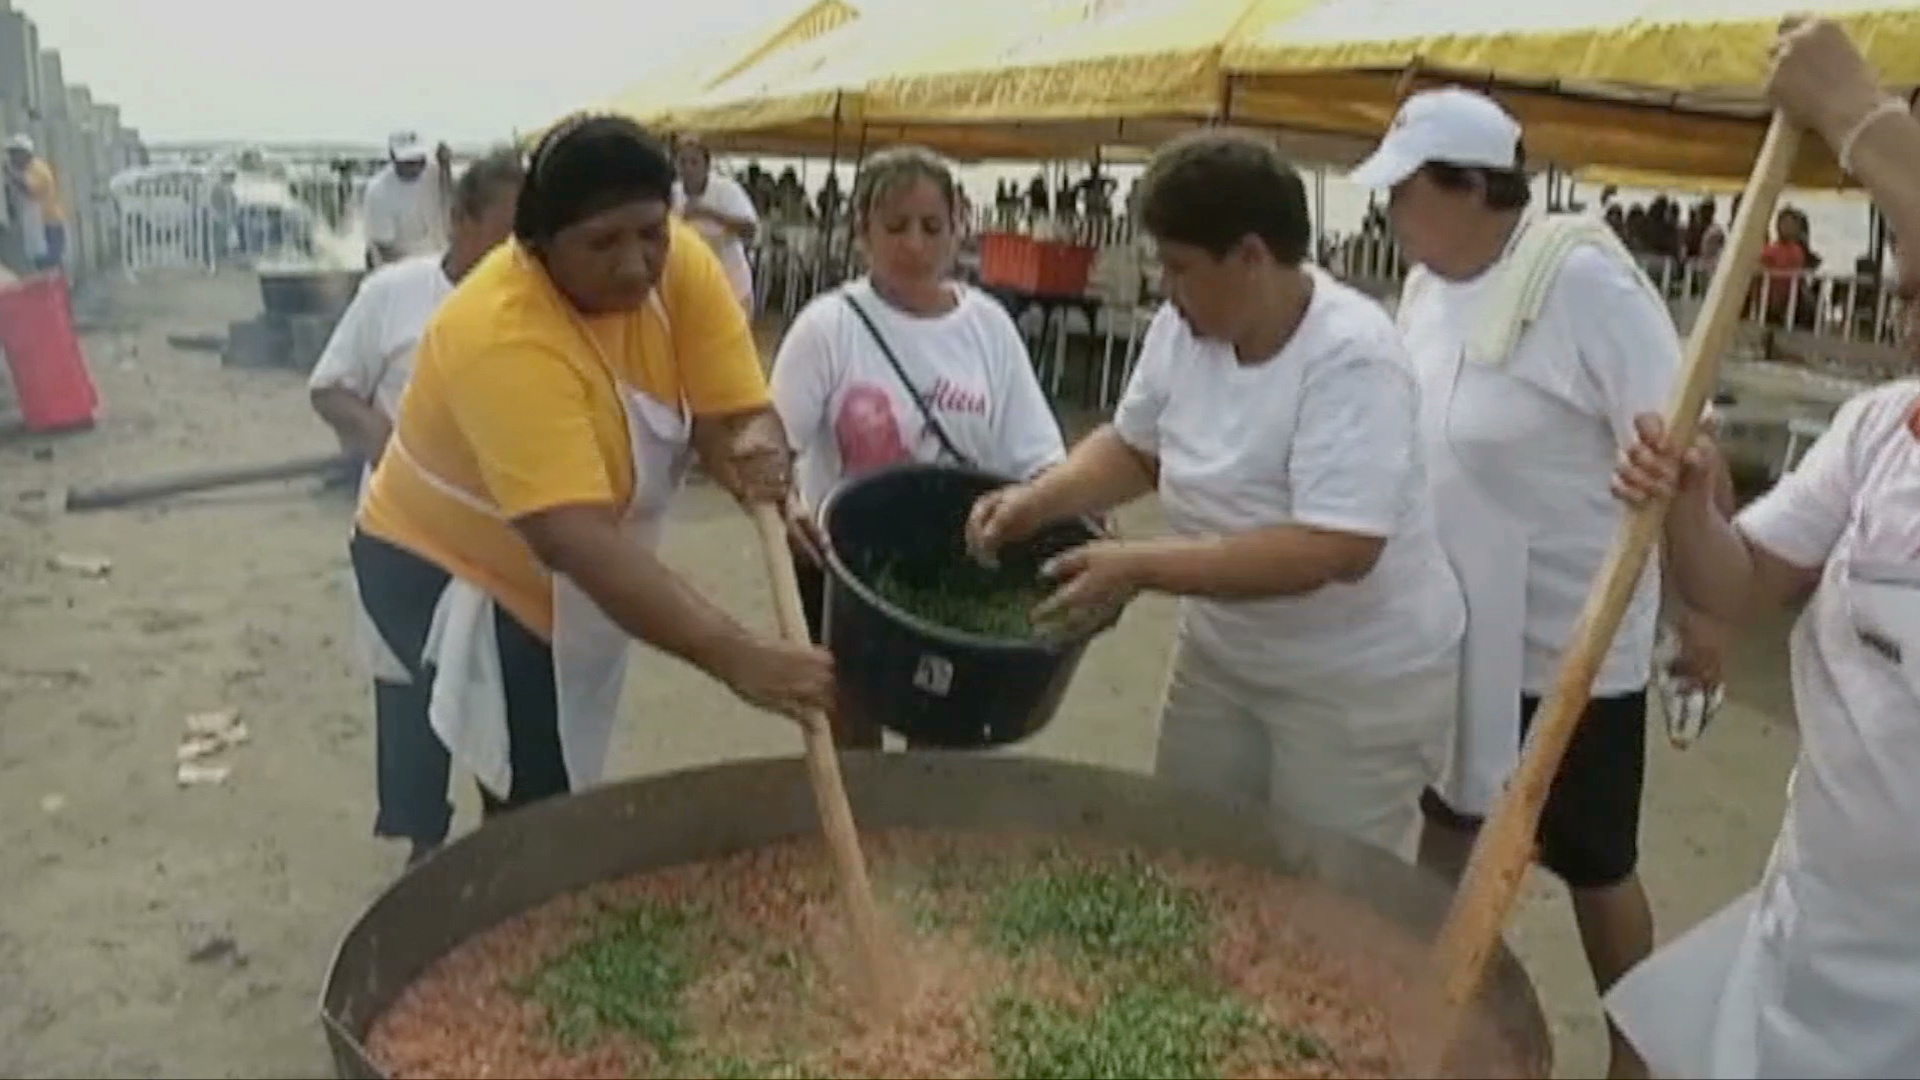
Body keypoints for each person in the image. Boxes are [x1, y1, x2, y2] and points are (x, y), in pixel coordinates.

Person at [1347, 85, 1730, 1079]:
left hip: (1568, 635)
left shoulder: (1583, 283)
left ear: (1473, 187)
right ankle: (1429, 1028)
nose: (1388, 216)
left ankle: (1639, 1053)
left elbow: (1685, 447)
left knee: (1592, 860)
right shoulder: (1429, 286)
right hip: (1454, 618)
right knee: (1449, 818)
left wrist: (1701, 613)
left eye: (1404, 194)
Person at [966, 130, 1466, 856]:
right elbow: (1136, 448)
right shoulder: (1184, 326)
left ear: (1253, 258)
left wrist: (1138, 566)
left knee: (1327, 894)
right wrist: (1039, 500)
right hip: (1226, 660)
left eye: (1180, 267)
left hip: (1354, 683)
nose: (1165, 288)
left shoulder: (1352, 356)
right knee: (1192, 849)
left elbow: (1336, 548)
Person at [350, 115, 832, 864]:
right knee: (528, 787)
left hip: (573, 569)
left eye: (650, 233)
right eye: (603, 244)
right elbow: (570, 537)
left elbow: (732, 411)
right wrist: (738, 655)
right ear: (539, 247)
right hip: (443, 565)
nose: (638, 265)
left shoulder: (683, 267)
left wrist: (756, 454)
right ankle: (483, 903)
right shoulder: (502, 331)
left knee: (552, 769)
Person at [1604, 17, 1920, 1079]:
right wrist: (1690, 504)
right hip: (1815, 923)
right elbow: (1731, 591)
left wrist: (1859, 115)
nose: (1910, 324)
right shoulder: (1880, 431)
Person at [770, 146, 1067, 746]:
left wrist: (1071, 501)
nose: (914, 245)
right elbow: (772, 446)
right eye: (895, 227)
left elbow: (1037, 453)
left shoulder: (988, 328)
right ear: (862, 232)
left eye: (933, 227)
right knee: (851, 727)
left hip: (958, 569)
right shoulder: (829, 327)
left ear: (960, 227)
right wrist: (788, 505)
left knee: (946, 734)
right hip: (846, 572)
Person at [309, 150, 525, 865]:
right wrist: (397, 451)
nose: (522, 251)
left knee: (500, 690)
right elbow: (333, 388)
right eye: (509, 229)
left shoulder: (536, 308)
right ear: (459, 220)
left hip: (495, 544)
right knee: (408, 696)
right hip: (399, 538)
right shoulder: (394, 295)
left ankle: (505, 838)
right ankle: (423, 843)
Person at [671, 136, 759, 311]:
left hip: (732, 283)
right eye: (683, 162)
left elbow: (750, 229)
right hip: (693, 283)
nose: (688, 168)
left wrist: (709, 213)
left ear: (707, 165)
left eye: (694, 162)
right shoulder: (673, 193)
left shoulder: (727, 190)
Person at [362, 131, 451, 268]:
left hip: (439, 262)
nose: (416, 166)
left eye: (420, 160)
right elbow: (385, 250)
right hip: (401, 268)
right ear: (393, 157)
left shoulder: (436, 172)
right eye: (409, 162)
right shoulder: (379, 191)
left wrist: (446, 167)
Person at [4, 134, 66, 272]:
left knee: (49, 262)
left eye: (14, 153)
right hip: (40, 224)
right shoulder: (28, 170)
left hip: (49, 223)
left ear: (25, 153)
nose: (12, 158)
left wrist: (10, 174)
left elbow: (29, 188)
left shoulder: (38, 169)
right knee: (41, 262)